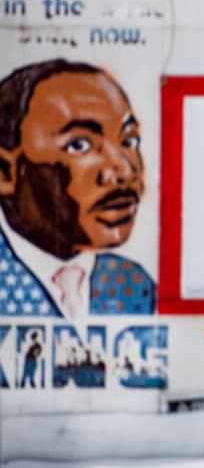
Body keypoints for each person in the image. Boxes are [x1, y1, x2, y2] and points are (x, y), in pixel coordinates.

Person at [0, 59, 155, 319]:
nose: (124, 172)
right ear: (6, 172)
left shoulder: (136, 287)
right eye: (79, 145)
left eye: (129, 140)